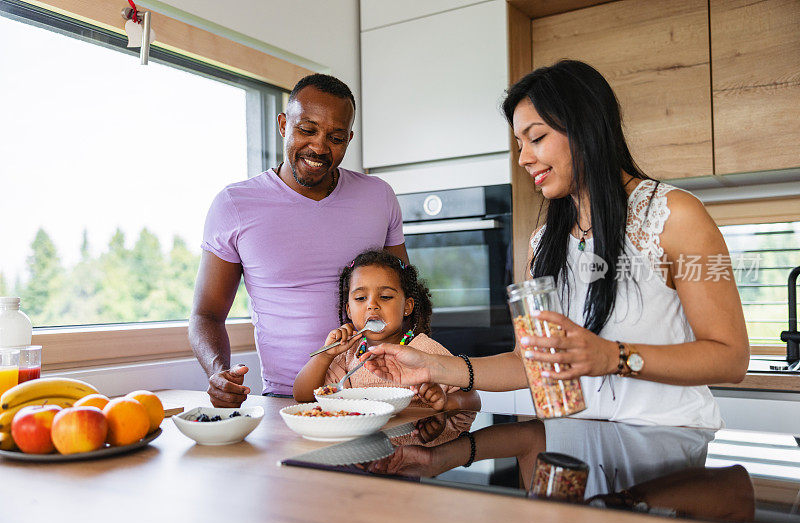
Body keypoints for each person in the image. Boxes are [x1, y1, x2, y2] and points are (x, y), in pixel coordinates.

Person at [361, 60, 749, 428]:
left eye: (537, 138)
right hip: (575, 451)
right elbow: (526, 362)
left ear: (586, 128)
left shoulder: (673, 214)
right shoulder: (544, 242)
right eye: (519, 143)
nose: (524, 158)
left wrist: (613, 356)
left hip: (669, 449)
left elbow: (730, 358)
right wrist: (431, 366)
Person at [190, 74, 408, 406]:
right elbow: (206, 314)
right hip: (285, 401)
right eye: (307, 130)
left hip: (375, 394)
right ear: (283, 125)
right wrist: (218, 373)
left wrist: (426, 374)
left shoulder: (379, 196)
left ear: (349, 139)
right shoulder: (234, 205)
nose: (320, 147)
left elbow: (408, 299)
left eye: (335, 137)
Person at [293, 249, 481, 412]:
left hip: (416, 445)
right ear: (349, 310)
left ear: (407, 307)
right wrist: (325, 355)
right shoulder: (348, 355)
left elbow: (473, 400)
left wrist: (446, 402)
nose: (372, 305)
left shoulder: (425, 350)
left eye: (385, 296)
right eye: (360, 298)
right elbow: (303, 395)